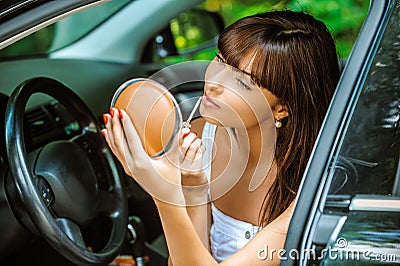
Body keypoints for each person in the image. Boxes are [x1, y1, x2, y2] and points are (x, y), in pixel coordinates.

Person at [102, 9, 340, 265]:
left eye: (241, 83)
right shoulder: (203, 132)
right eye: (220, 60)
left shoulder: (311, 185)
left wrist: (163, 194)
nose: (214, 83)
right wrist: (193, 184)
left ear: (281, 108)